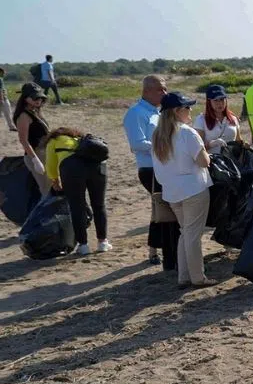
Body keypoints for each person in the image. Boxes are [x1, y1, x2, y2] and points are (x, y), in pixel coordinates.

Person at [151, 92, 215, 288]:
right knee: (193, 235)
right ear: (177, 111)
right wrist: (206, 151)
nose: (190, 111)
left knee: (185, 233)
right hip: (193, 189)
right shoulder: (187, 132)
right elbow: (203, 161)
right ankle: (198, 277)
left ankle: (184, 277)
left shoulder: (158, 135)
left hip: (172, 191)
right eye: (187, 107)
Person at [124, 75, 178, 268]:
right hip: (150, 169)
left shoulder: (158, 112)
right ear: (146, 91)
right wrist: (166, 145)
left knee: (161, 209)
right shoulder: (136, 113)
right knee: (167, 210)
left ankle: (154, 250)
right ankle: (166, 254)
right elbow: (137, 143)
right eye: (159, 89)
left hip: (164, 167)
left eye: (165, 88)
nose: (164, 92)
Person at [45, 127, 111, 255]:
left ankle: (83, 245)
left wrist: (55, 180)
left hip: (72, 170)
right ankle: (102, 242)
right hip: (97, 167)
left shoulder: (54, 140)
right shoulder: (81, 140)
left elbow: (50, 164)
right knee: (99, 205)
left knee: (77, 207)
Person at [14, 83, 52, 196]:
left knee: (52, 186)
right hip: (36, 154)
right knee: (46, 189)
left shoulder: (35, 111)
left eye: (41, 97)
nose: (38, 100)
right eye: (35, 97)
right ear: (26, 98)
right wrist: (36, 161)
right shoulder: (24, 116)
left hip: (45, 152)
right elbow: (24, 140)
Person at [193, 85, 240, 153]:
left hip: (231, 161)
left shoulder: (233, 118)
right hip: (212, 162)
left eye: (222, 99)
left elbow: (238, 141)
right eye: (215, 100)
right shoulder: (201, 120)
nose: (220, 103)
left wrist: (245, 144)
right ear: (209, 102)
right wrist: (211, 144)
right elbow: (196, 149)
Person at [0, 67, 16, 131]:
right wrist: (1, 99)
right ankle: (11, 127)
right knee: (8, 112)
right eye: (3, 73)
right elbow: (0, 90)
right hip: (3, 98)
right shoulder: (0, 79)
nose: (4, 74)